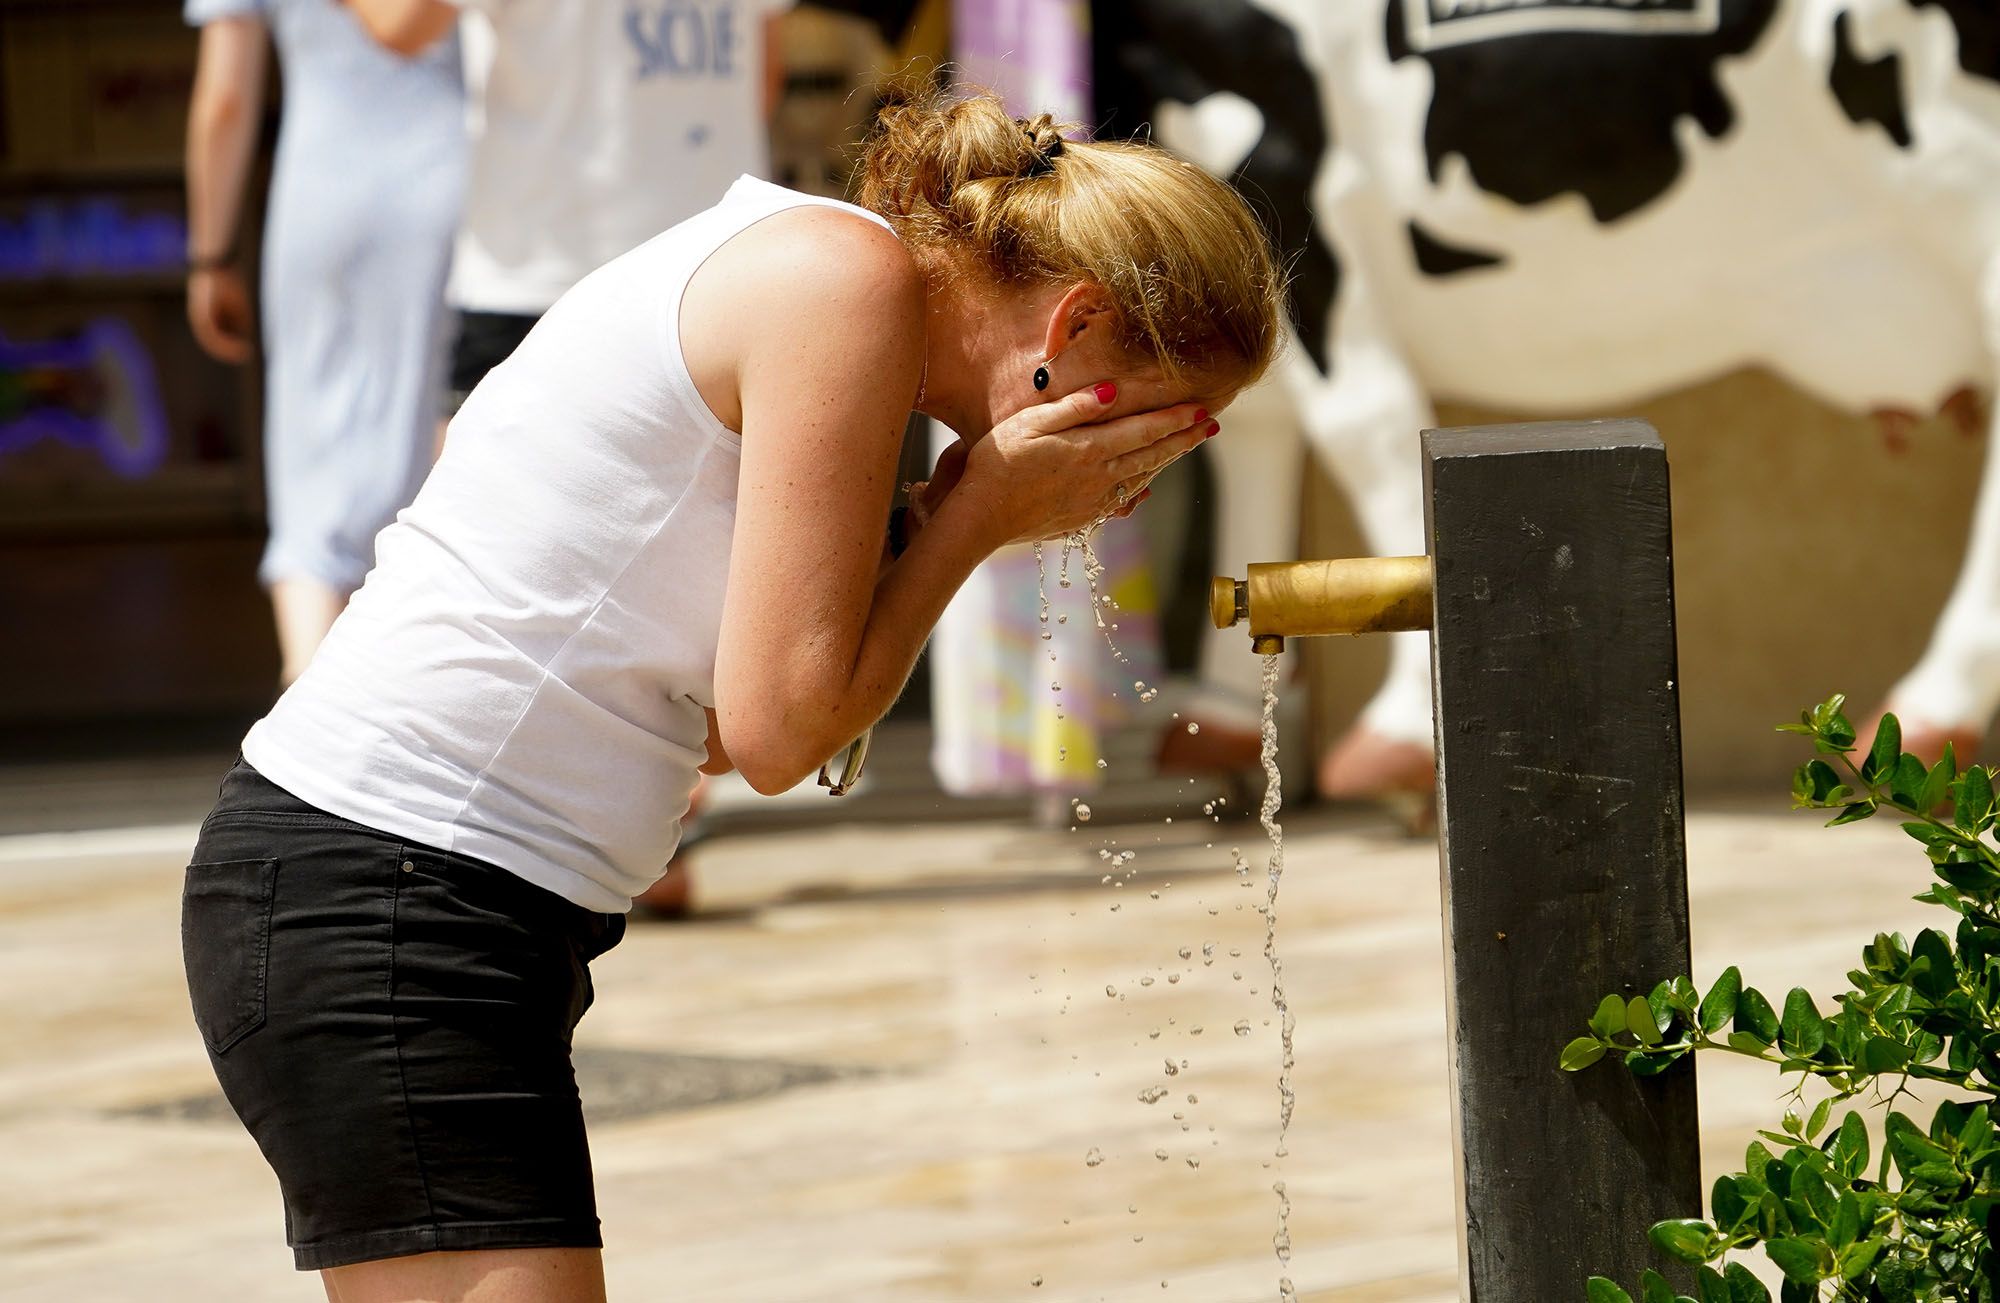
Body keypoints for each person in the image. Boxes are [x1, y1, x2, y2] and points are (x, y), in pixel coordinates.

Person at [179, 87, 1281, 1300]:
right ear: (1070, 323)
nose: (1125, 490)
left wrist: (943, 524)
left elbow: (705, 733)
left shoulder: (841, 293)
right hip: (387, 890)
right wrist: (971, 524)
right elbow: (775, 738)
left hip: (415, 897)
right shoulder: (841, 286)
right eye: (1146, 434)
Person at [183, 0, 465, 685]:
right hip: (458, 181)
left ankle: (310, 686)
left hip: (324, 194)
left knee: (310, 471)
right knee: (451, 453)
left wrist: (209, 254)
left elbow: (225, 99)